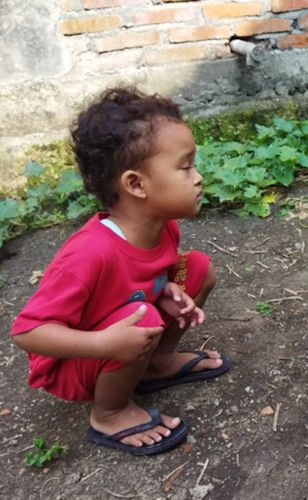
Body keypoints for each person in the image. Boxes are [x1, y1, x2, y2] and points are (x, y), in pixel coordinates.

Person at [11, 88, 231, 455]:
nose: (198, 177)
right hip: (74, 362)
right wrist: (103, 344)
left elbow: (138, 278)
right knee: (139, 319)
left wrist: (163, 291)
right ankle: (109, 412)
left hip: (121, 330)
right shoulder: (89, 254)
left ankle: (156, 365)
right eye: (185, 166)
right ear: (135, 184)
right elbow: (28, 332)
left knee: (197, 269)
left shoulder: (163, 228)